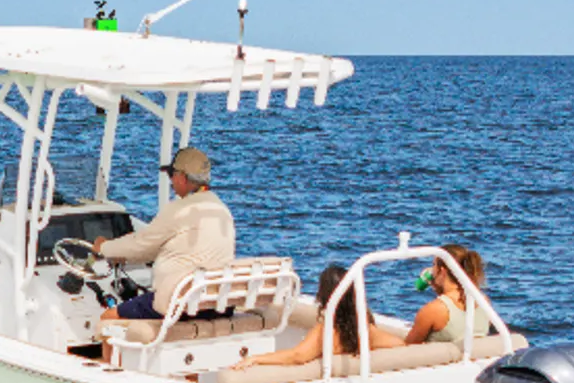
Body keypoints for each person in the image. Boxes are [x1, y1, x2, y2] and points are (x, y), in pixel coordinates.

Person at [93, 146, 235, 325]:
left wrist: (104, 247)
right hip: (213, 300)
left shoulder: (179, 210)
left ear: (182, 177)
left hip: (180, 301)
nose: (171, 181)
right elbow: (162, 248)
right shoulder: (221, 209)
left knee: (108, 319)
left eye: (172, 175)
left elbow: (141, 244)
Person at [231, 264, 405, 371]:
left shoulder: (326, 332)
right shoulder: (365, 330)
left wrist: (255, 358)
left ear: (324, 295)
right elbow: (399, 345)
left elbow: (297, 356)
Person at [405, 244, 491, 345]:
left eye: (433, 265)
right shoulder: (483, 301)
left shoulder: (433, 310)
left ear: (442, 271)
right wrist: (438, 288)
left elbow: (408, 347)